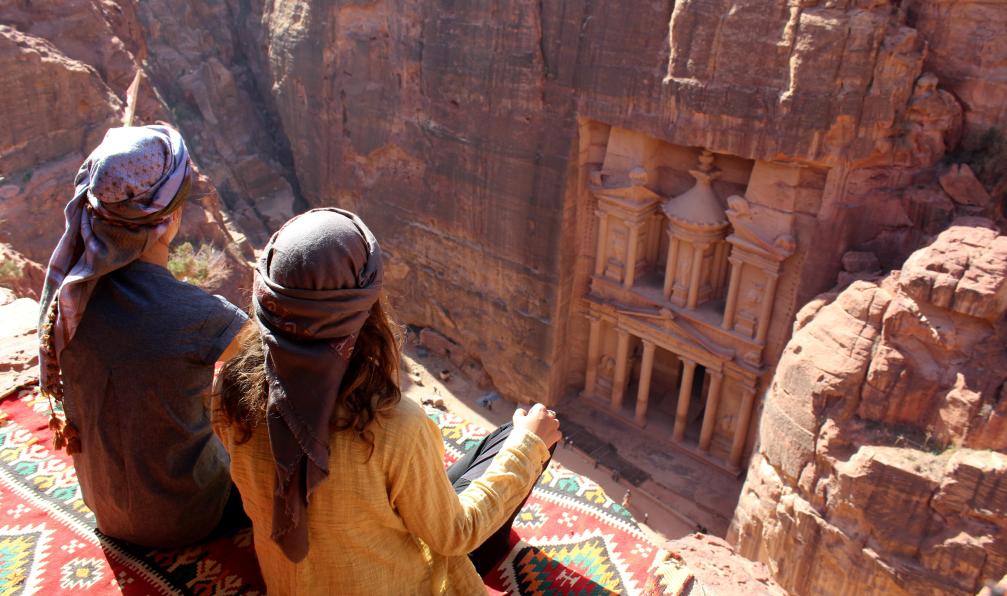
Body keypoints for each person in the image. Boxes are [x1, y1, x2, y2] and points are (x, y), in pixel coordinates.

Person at [213, 208, 561, 594]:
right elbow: (455, 536)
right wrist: (528, 446)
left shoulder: (230, 390)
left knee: (488, 449)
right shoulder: (391, 425)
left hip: (291, 583)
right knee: (521, 435)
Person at [37, 125, 248, 547]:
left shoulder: (70, 299)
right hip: (189, 518)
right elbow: (269, 354)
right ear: (170, 218)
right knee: (249, 394)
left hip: (106, 510)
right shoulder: (198, 315)